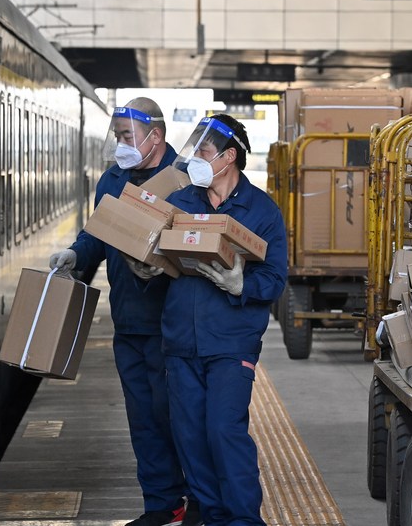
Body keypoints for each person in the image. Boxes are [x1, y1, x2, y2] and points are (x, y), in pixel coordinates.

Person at [49, 98, 199, 526]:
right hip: (129, 320)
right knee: (143, 419)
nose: (121, 145)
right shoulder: (112, 179)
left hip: (173, 323)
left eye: (127, 137)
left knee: (177, 415)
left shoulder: (184, 180)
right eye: (117, 137)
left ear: (156, 136)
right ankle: (162, 505)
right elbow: (98, 232)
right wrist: (76, 255)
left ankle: (201, 499)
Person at [162, 114, 288, 526]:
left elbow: (275, 278)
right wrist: (145, 268)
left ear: (229, 157)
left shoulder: (261, 210)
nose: (195, 157)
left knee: (223, 431)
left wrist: (241, 284)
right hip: (181, 340)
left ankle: (244, 520)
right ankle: (213, 518)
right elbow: (155, 256)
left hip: (231, 342)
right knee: (191, 439)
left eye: (203, 150)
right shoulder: (181, 204)